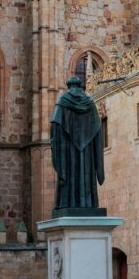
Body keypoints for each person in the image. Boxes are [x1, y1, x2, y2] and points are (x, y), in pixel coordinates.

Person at [49, 76, 106, 216]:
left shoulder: (62, 101)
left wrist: (56, 143)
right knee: (86, 173)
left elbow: (55, 126)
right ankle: (88, 202)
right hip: (87, 151)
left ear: (68, 86)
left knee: (70, 175)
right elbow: (98, 128)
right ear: (80, 86)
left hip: (68, 150)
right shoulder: (90, 102)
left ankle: (68, 203)